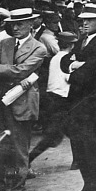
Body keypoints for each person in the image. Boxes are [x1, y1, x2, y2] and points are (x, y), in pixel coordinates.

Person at [60, 4, 96, 191]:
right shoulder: (84, 41)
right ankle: (88, 187)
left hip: (94, 105)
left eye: (90, 20)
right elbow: (64, 61)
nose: (84, 23)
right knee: (81, 147)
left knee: (94, 148)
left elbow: (86, 76)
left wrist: (75, 67)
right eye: (83, 19)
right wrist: (75, 65)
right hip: (78, 104)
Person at [0, 8, 47, 191]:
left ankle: (17, 190)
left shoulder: (38, 48)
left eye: (20, 24)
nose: (15, 28)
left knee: (19, 148)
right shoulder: (4, 44)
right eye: (13, 24)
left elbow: (19, 72)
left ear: (31, 24)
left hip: (21, 103)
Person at [28, 32, 78, 167]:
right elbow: (70, 77)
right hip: (61, 99)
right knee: (53, 136)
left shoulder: (55, 57)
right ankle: (28, 159)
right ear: (71, 45)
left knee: (72, 130)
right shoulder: (67, 59)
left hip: (51, 98)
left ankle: (77, 161)